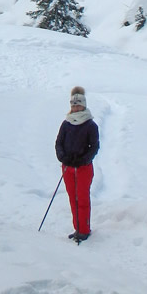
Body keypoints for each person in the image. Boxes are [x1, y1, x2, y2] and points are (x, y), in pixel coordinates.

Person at [55, 85, 99, 242]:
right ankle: (77, 228)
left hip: (83, 168)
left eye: (78, 104)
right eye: (73, 105)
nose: (76, 107)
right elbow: (59, 143)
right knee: (72, 198)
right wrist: (62, 157)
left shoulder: (90, 125)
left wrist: (82, 160)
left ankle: (84, 229)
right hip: (67, 168)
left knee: (82, 198)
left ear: (84, 105)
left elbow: (94, 147)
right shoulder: (66, 124)